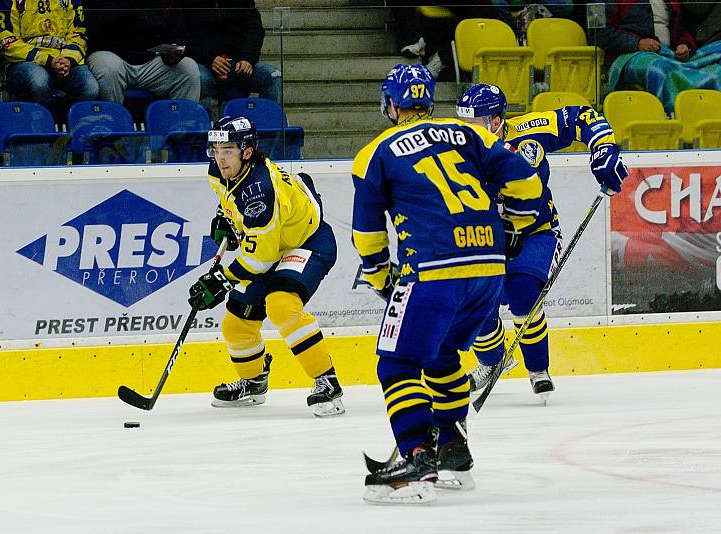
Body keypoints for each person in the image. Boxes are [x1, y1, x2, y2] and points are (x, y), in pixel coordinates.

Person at [354, 64, 544, 505]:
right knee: (441, 358)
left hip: (434, 271)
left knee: (396, 365)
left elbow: (367, 233)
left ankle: (417, 459)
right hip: (487, 271)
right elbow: (526, 183)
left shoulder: (376, 152)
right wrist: (514, 226)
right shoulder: (470, 135)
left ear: (392, 105)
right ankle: (455, 452)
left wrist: (383, 278)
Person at [455, 83, 628, 399]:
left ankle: (537, 368)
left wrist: (603, 148)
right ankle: (491, 363)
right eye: (461, 122)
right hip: (484, 240)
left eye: (473, 123)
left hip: (536, 231)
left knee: (524, 294)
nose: (465, 130)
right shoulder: (456, 152)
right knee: (476, 301)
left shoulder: (526, 131)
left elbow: (582, 117)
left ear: (496, 121)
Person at [187, 116, 344, 418]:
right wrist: (226, 218)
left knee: (281, 305)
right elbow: (230, 199)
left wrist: (221, 280)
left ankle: (328, 382)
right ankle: (254, 381)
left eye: (229, 150)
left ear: (247, 151)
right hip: (273, 244)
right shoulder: (221, 172)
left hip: (307, 243)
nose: (220, 157)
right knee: (236, 323)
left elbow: (259, 260)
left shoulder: (260, 191)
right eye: (216, 149)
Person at [0, 0, 99, 114]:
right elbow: (7, 43)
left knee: (90, 87)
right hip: (23, 62)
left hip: (64, 59)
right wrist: (48, 60)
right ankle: (39, 125)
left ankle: (75, 127)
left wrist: (68, 59)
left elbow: (78, 33)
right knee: (39, 81)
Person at [86, 0, 200, 104]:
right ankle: (113, 123)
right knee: (110, 68)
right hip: (109, 53)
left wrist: (174, 49)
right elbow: (95, 28)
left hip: (151, 58)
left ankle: (182, 125)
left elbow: (179, 32)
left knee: (188, 68)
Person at [183, 0, 282, 109]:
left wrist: (247, 58)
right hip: (203, 63)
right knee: (199, 78)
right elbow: (184, 36)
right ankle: (203, 122)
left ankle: (270, 123)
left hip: (237, 63)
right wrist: (210, 58)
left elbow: (254, 29)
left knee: (273, 76)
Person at [592, 0, 696, 66]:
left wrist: (684, 45)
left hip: (669, 55)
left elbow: (682, 30)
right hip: (626, 57)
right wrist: (637, 43)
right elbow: (597, 33)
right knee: (660, 69)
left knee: (709, 67)